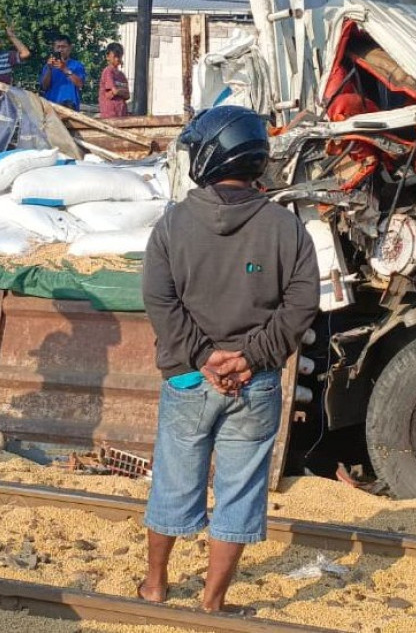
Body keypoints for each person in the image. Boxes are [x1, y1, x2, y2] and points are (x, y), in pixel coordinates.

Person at [138, 106, 319, 612]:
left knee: (174, 480)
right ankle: (212, 603)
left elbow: (159, 299)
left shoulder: (171, 224)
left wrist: (203, 356)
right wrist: (250, 358)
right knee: (240, 491)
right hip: (255, 384)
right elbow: (302, 303)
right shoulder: (287, 228)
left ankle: (154, 586)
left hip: (187, 380)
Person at [39, 36, 87, 111]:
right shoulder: (48, 66)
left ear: (70, 48)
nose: (60, 50)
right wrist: (49, 69)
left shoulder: (77, 65)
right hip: (51, 107)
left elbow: (80, 84)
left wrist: (65, 69)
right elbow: (44, 87)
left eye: (63, 47)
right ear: (54, 48)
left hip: (70, 107)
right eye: (58, 47)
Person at [99, 42, 131, 119]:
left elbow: (128, 95)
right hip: (110, 114)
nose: (117, 59)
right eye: (115, 56)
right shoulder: (108, 71)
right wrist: (120, 92)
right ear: (108, 56)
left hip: (122, 113)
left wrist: (118, 92)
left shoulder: (122, 75)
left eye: (119, 56)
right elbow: (115, 91)